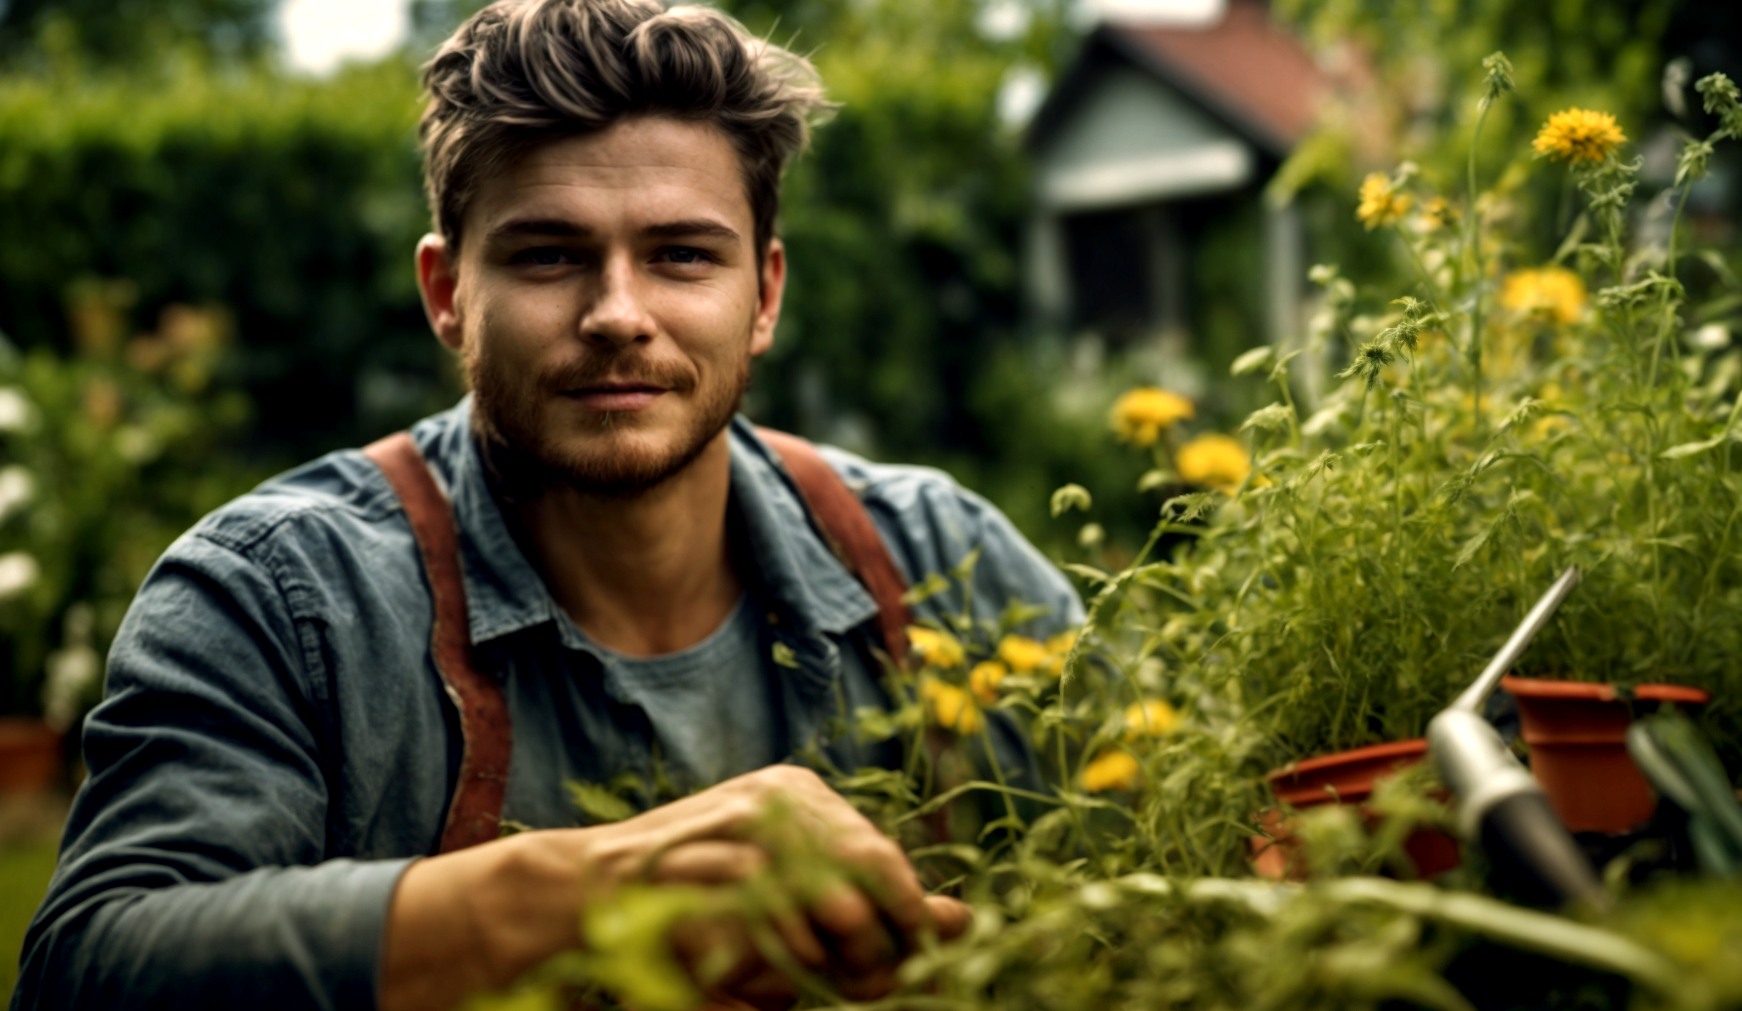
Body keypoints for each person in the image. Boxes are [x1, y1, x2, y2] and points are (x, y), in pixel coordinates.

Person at [12, 1, 1082, 1009]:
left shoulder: (944, 560)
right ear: (447, 295)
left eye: (680, 256)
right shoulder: (280, 596)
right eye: (548, 256)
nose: (619, 314)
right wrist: (589, 893)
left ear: (764, 294)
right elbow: (94, 964)